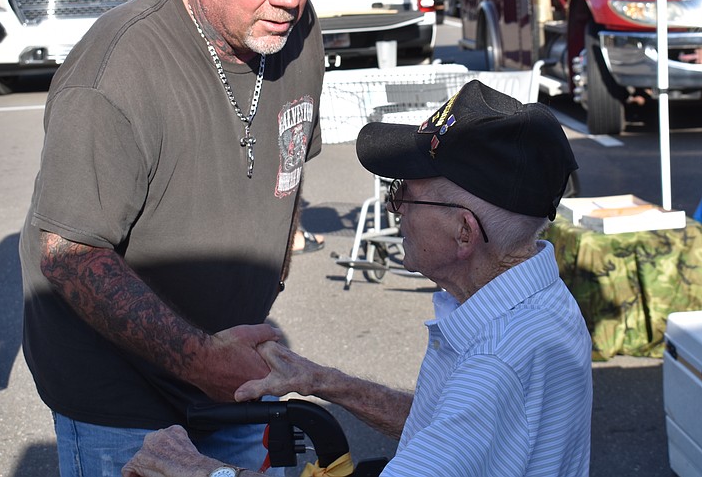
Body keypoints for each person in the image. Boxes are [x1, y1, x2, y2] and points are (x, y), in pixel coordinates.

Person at [19, 0, 325, 477]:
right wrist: (201, 358)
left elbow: (289, 169)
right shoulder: (115, 74)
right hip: (121, 398)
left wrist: (266, 283)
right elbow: (69, 255)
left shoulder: (298, 33)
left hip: (235, 372)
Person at [123, 80, 593, 477]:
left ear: (464, 231)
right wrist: (324, 381)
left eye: (402, 194)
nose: (395, 210)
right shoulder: (532, 298)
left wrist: (206, 472)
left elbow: (478, 406)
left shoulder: (497, 361)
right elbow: (449, 430)